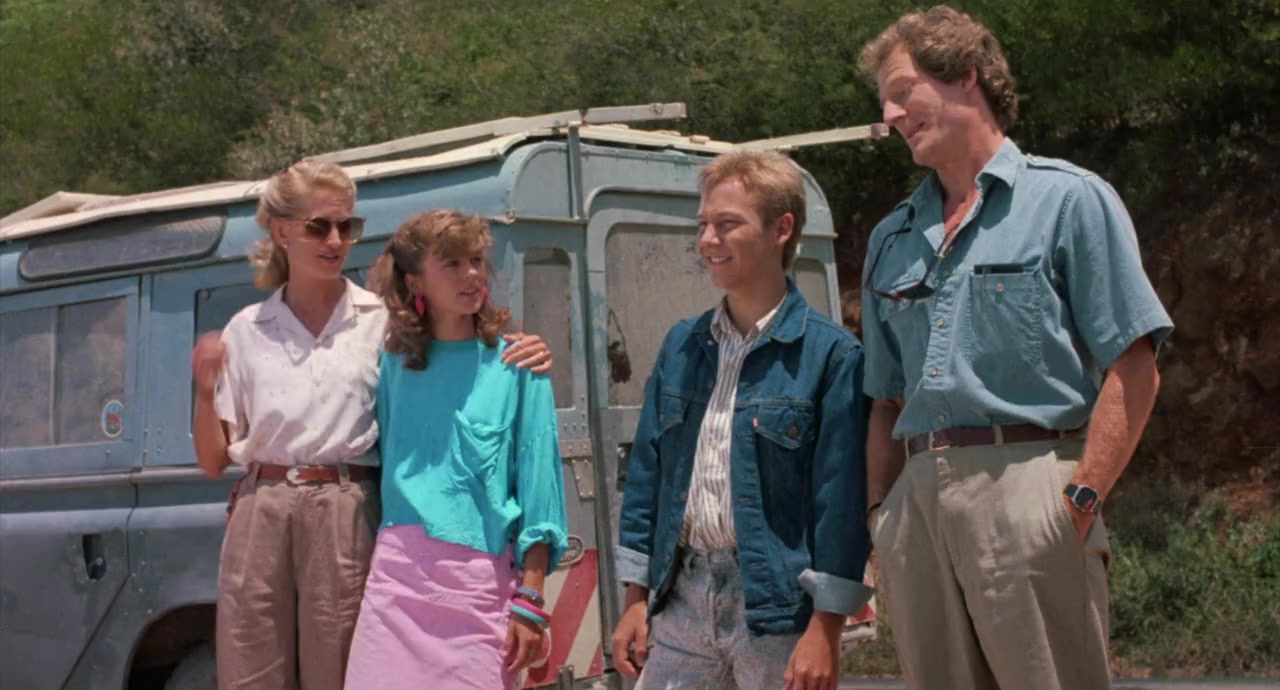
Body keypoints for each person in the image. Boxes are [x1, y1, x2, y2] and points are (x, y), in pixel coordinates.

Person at [857, 7, 1173, 690]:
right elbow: (884, 399)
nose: (889, 114)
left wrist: (1077, 500)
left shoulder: (1068, 200)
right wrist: (881, 515)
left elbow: (1135, 363)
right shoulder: (890, 239)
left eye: (903, 91)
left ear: (965, 76)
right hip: (917, 511)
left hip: (1032, 489)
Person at [190, 161, 552, 690]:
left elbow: (459, 347)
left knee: (340, 672)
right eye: (319, 227)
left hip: (345, 504)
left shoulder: (384, 326)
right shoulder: (247, 329)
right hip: (261, 507)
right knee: (251, 670)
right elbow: (211, 460)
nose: (336, 240)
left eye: (348, 226)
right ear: (282, 231)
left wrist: (524, 346)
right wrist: (203, 391)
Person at [610, 150, 872, 690]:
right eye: (703, 225)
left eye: (727, 224)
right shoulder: (682, 345)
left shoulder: (831, 355)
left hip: (778, 613)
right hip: (681, 602)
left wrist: (826, 626)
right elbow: (647, 476)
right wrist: (636, 595)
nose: (708, 240)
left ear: (782, 229)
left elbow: (840, 504)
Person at [342, 209, 569, 690]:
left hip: (479, 591)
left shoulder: (519, 366)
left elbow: (540, 494)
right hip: (394, 587)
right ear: (415, 282)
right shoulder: (391, 366)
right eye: (451, 263)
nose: (472, 274)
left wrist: (531, 599)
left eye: (476, 260)